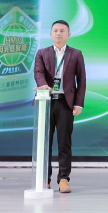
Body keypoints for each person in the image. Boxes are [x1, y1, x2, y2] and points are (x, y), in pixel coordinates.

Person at [34, 19, 86, 194]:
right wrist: (43, 86)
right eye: (55, 30)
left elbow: (82, 80)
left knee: (64, 142)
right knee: (45, 143)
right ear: (50, 34)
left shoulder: (76, 54)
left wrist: (78, 103)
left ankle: (64, 179)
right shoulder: (42, 53)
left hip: (66, 103)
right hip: (46, 101)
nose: (58, 33)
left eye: (62, 31)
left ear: (68, 34)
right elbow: (38, 72)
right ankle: (45, 179)